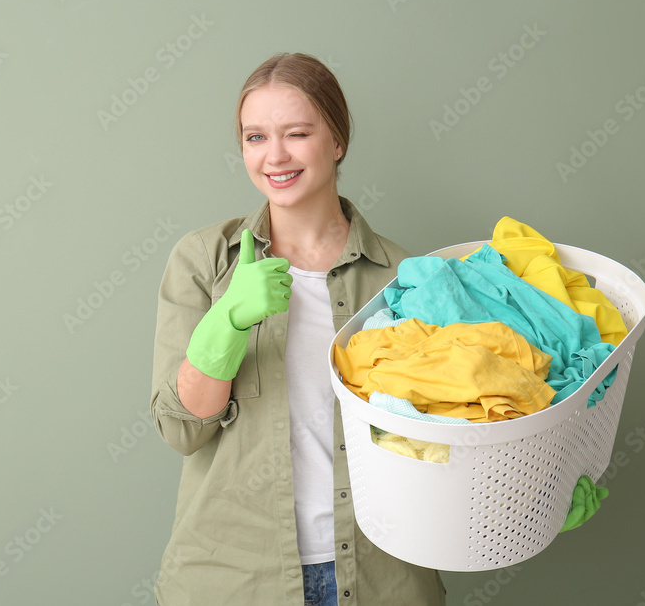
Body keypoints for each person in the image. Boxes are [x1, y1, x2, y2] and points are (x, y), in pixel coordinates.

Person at [150, 53, 446, 605]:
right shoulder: (203, 262)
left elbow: (433, 438)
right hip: (235, 579)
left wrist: (531, 489)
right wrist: (228, 321)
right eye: (256, 136)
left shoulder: (404, 278)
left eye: (297, 133)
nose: (275, 156)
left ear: (337, 141)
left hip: (382, 579)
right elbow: (182, 430)